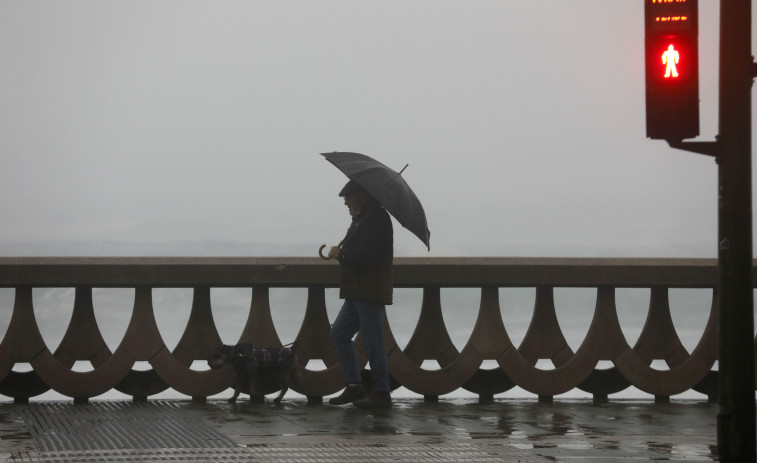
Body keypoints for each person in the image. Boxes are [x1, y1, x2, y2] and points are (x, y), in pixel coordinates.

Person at [327, 180, 393, 409]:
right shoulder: (362, 219)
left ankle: (382, 392)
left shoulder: (377, 220)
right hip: (356, 291)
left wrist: (341, 254)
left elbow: (367, 256)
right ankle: (354, 386)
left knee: (373, 343)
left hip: (369, 291)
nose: (345, 202)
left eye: (348, 197)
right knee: (339, 333)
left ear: (362, 196)